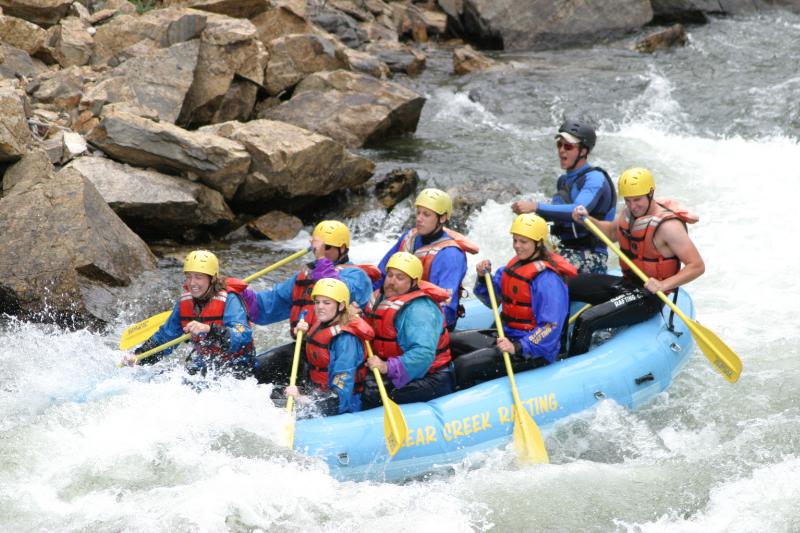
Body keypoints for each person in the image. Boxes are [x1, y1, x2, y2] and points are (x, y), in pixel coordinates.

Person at [567, 167, 704, 356]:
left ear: (650, 193)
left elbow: (697, 266)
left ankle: (573, 366)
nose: (633, 206)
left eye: (637, 200)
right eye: (628, 200)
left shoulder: (668, 227)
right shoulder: (628, 214)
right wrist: (587, 220)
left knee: (586, 319)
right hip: (627, 284)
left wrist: (663, 284)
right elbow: (611, 233)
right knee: (565, 285)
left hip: (649, 297)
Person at [454, 214, 575, 389]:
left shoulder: (548, 280)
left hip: (533, 351)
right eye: (515, 240)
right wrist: (482, 279)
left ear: (539, 243)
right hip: (506, 337)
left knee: (464, 366)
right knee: (451, 342)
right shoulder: (515, 266)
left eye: (524, 242)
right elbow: (492, 302)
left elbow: (549, 327)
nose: (517, 246)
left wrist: (518, 347)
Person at [124, 250, 255, 377]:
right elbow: (165, 338)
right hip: (204, 364)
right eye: (189, 277)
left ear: (213, 278)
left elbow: (243, 336)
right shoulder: (184, 302)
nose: (192, 283)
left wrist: (209, 330)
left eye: (198, 277)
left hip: (238, 364)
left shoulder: (230, 300)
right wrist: (139, 356)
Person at [511, 117, 616, 274]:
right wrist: (531, 213)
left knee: (535, 272)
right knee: (517, 266)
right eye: (559, 144)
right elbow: (557, 217)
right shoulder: (564, 181)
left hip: (590, 256)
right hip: (565, 250)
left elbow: (577, 211)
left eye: (568, 146)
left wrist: (536, 207)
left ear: (584, 151)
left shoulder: (595, 178)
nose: (561, 150)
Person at [376, 188, 479, 330]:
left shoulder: (450, 254)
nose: (419, 218)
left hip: (428, 321)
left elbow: (445, 304)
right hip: (398, 307)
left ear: (442, 218)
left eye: (426, 214)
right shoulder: (409, 237)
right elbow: (381, 275)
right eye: (418, 212)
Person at [362, 252, 455, 408]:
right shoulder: (380, 298)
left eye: (400, 278)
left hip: (431, 377)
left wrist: (386, 367)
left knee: (371, 394)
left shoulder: (420, 310)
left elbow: (423, 354)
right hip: (391, 367)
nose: (391, 282)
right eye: (390, 275)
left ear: (413, 282)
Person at [252, 220, 377, 334]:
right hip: (311, 345)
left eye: (326, 247)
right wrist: (241, 296)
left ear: (342, 248)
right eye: (318, 248)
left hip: (342, 345)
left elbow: (335, 290)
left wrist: (321, 259)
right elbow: (269, 304)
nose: (320, 252)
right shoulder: (307, 275)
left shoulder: (358, 276)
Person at [286, 278, 374, 416]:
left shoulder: (346, 340)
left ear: (340, 306)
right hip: (318, 391)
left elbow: (342, 396)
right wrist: (301, 334)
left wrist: (304, 400)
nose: (320, 307)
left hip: (345, 403)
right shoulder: (324, 323)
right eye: (317, 302)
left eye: (326, 303)